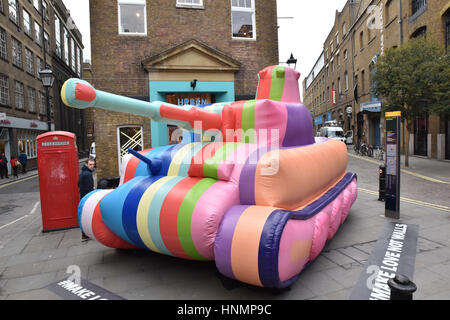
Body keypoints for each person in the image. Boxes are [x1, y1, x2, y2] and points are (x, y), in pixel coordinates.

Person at [78, 158, 96, 241]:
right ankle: (85, 235)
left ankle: (84, 235)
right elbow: (89, 189)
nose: (92, 166)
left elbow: (78, 184)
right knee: (88, 217)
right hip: (87, 198)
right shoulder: (88, 174)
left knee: (84, 216)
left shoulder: (83, 173)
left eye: (93, 164)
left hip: (82, 196)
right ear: (86, 164)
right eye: (90, 164)